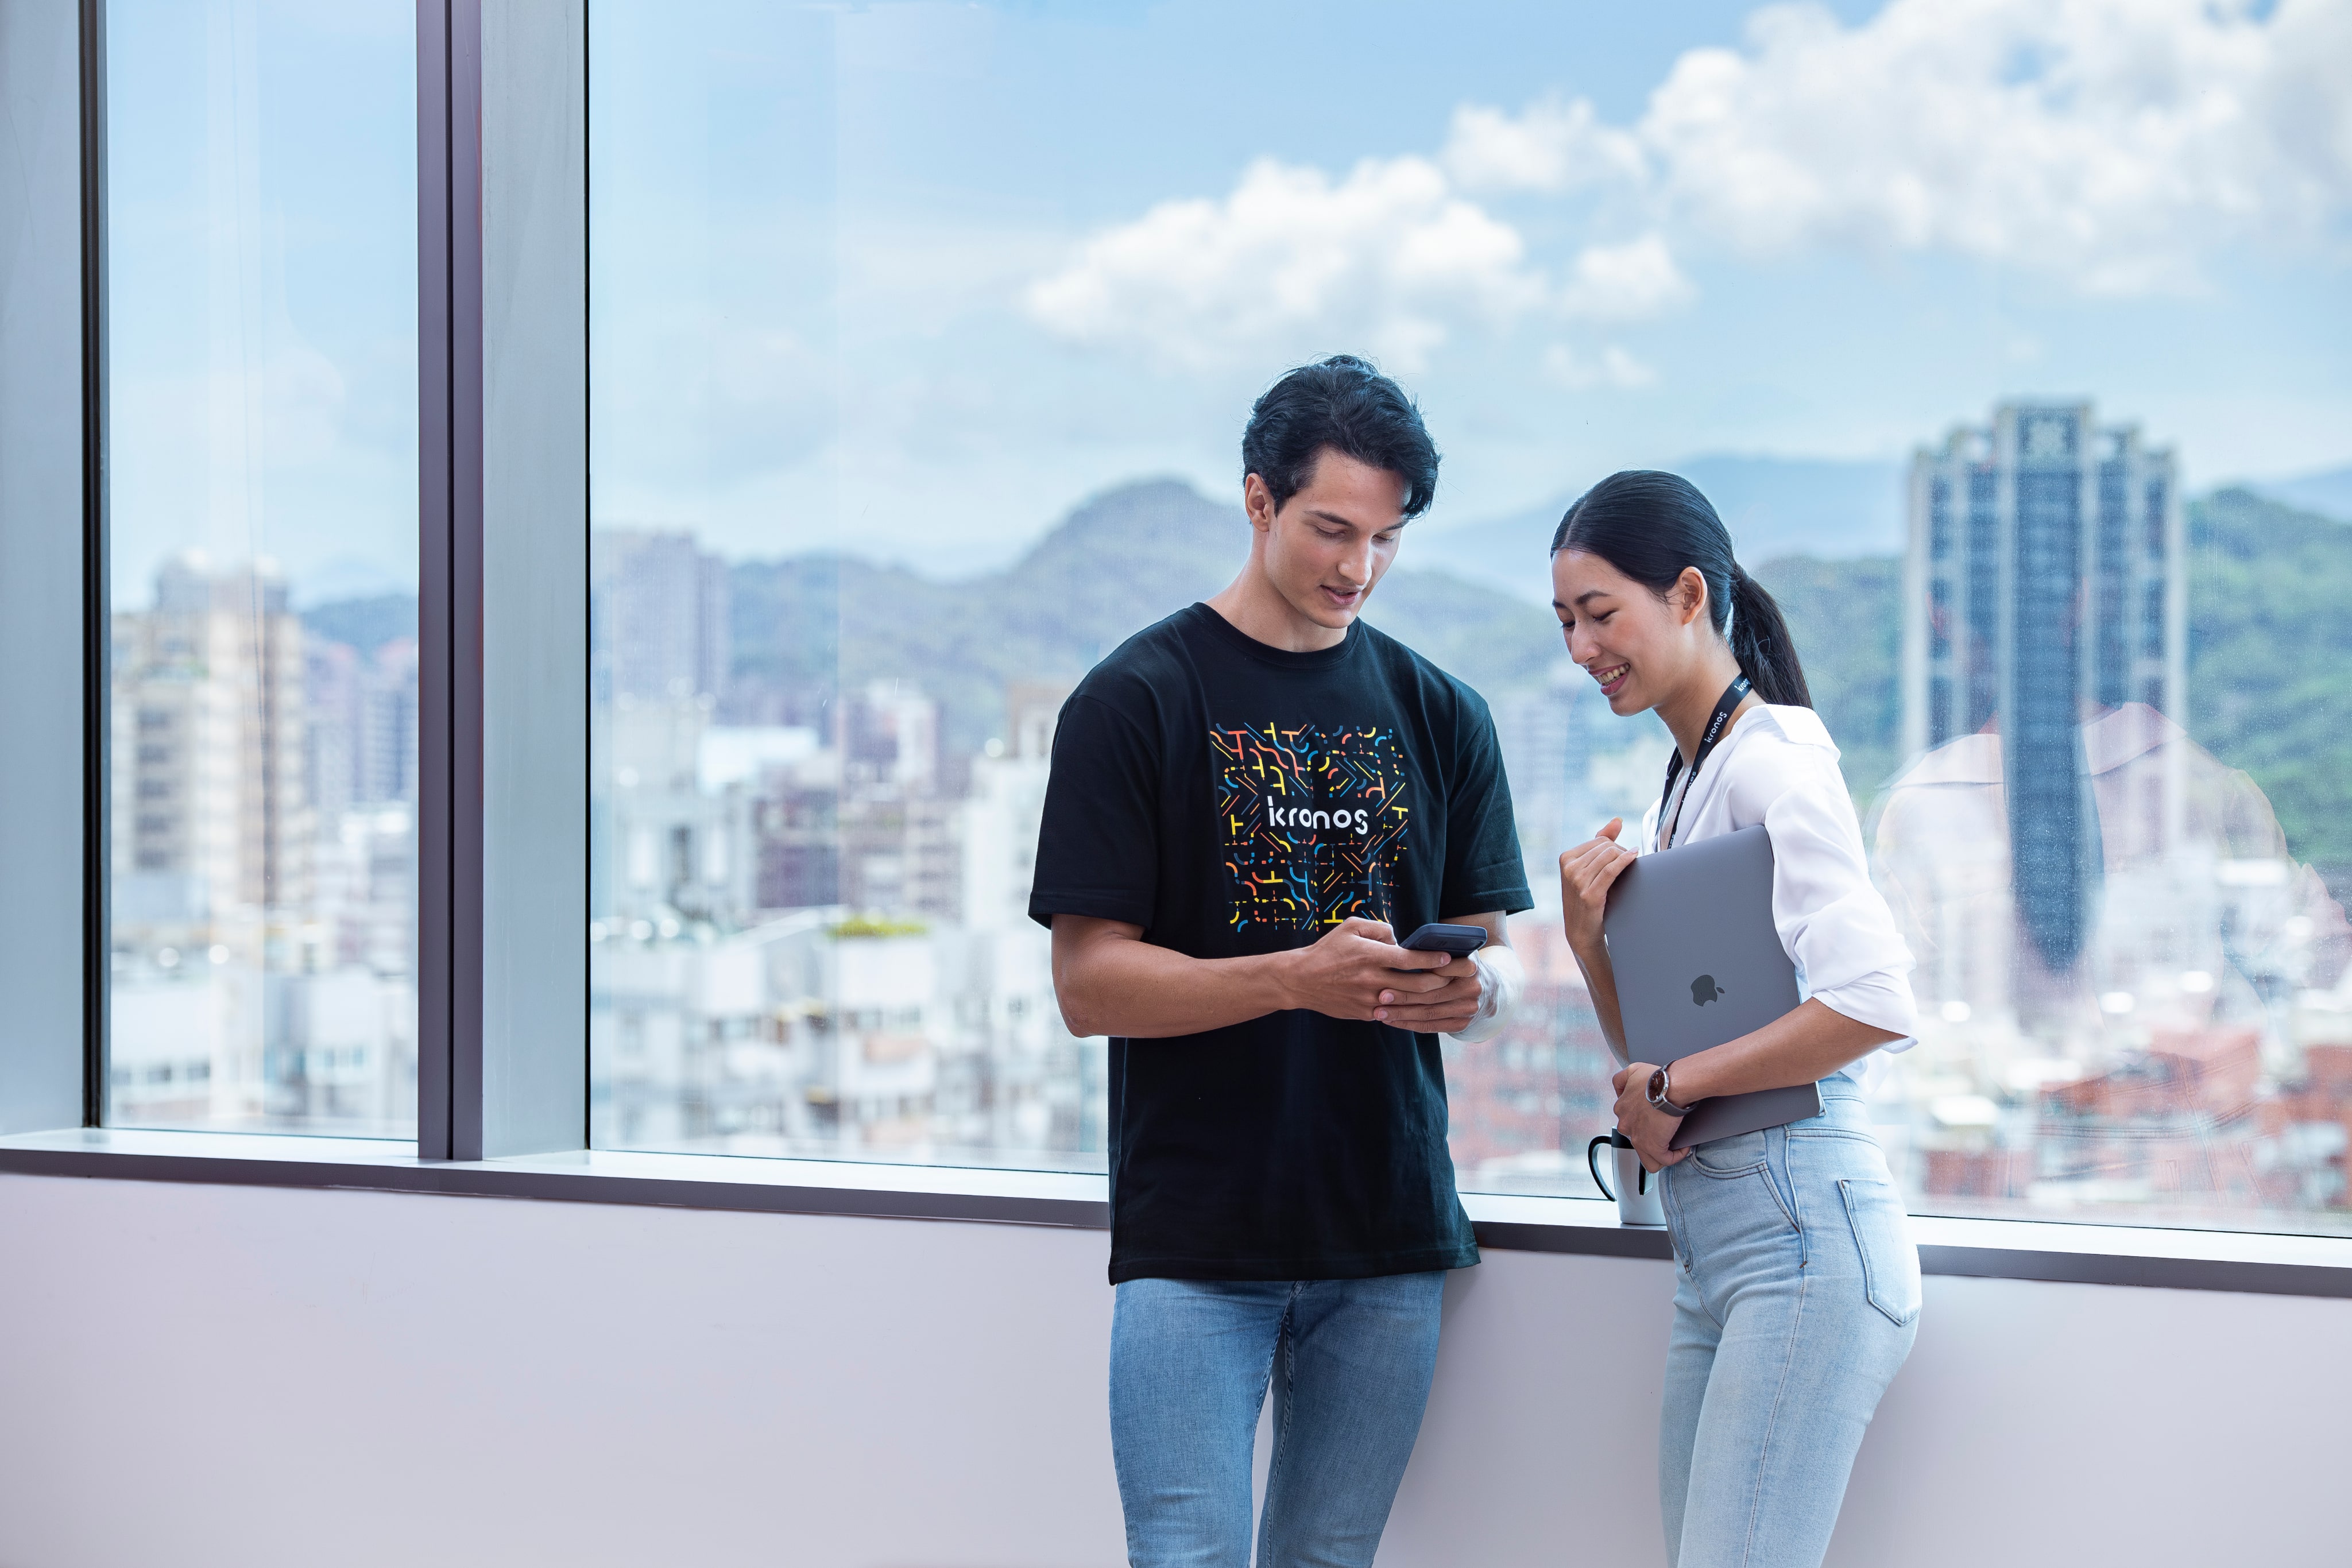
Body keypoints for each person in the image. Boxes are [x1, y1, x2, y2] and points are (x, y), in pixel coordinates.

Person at [1030, 355, 1534, 1568]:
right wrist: (1287, 976)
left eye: (1385, 537)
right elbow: (1087, 986)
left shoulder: (1443, 712)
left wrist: (1468, 996)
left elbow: (1493, 967)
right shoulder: (1134, 700)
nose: (1355, 566)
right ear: (1256, 500)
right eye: (1328, 527)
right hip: (1196, 1239)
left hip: (1388, 1231)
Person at [1550, 471, 1922, 1568]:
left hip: (1802, 1240)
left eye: (1601, 613)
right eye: (1566, 622)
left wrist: (1673, 1088)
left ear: (1688, 595)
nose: (1581, 648)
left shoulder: (1774, 762)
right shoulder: (1689, 777)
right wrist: (1589, 941)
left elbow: (1870, 1000)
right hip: (1723, 1254)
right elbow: (1661, 1061)